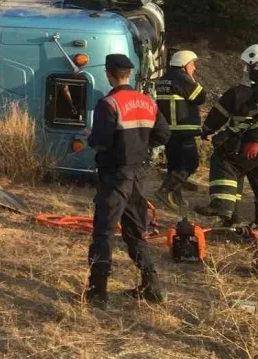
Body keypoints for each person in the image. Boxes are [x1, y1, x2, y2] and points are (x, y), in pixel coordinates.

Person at [85, 53, 170, 308]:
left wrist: (90, 137)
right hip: (139, 175)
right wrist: (142, 147)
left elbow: (101, 142)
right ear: (129, 74)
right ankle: (152, 286)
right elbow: (163, 134)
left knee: (104, 232)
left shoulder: (109, 104)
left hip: (115, 176)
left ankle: (97, 292)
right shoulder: (148, 102)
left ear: (108, 73)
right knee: (136, 231)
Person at [196, 45, 258, 233]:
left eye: (249, 66)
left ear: (256, 64)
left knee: (225, 161)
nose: (247, 70)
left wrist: (256, 139)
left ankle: (222, 206)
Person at [154, 50, 207, 209]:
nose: (194, 68)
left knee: (175, 165)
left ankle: (176, 197)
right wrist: (190, 78)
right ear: (184, 65)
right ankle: (164, 190)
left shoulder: (163, 79)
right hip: (183, 130)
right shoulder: (182, 79)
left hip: (168, 130)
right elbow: (201, 97)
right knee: (190, 163)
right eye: (192, 64)